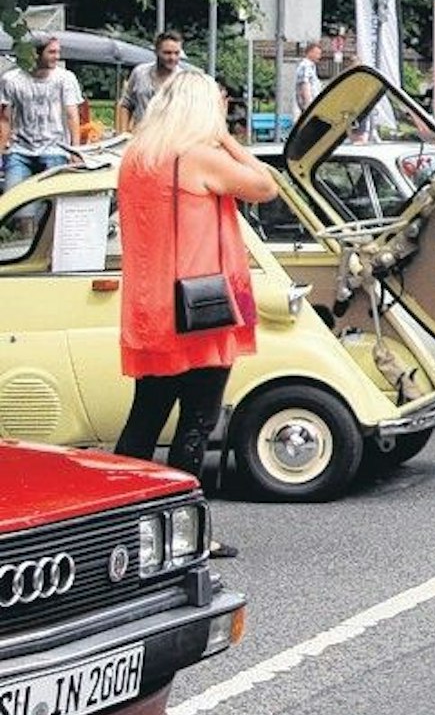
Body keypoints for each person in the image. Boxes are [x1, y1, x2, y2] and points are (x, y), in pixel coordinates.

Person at [113, 71, 279, 557]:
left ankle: (121, 523)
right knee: (197, 423)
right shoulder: (200, 158)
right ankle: (187, 535)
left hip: (150, 304)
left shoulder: (137, 158)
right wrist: (227, 138)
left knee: (143, 420)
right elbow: (265, 186)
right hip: (200, 307)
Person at [1, 36, 84, 191]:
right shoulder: (11, 79)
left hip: (55, 149)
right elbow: (5, 117)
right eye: (52, 52)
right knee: (14, 200)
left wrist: (76, 150)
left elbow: (72, 115)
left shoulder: (65, 78)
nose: (57, 57)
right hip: (20, 150)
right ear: (36, 54)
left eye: (58, 52)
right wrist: (2, 149)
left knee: (53, 200)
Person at [117, 31, 199, 132]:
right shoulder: (139, 73)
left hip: (171, 141)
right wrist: (123, 133)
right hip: (141, 138)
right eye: (167, 53)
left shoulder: (184, 80)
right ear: (156, 51)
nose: (172, 58)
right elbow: (125, 104)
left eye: (177, 53)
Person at [293, 41, 324, 116]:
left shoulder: (311, 67)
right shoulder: (305, 66)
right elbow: (305, 85)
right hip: (307, 109)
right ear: (310, 52)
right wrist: (308, 107)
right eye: (317, 54)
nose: (319, 56)